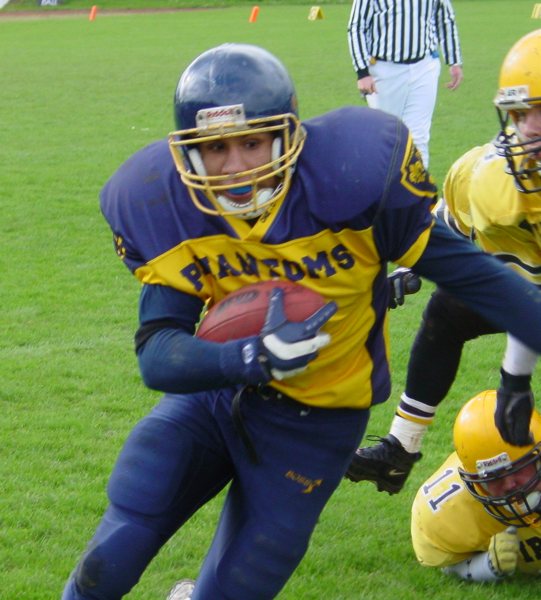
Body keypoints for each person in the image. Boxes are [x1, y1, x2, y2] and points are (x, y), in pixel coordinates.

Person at [61, 42, 541, 600]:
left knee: (238, 587)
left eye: (251, 141)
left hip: (317, 421)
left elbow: (479, 281)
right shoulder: (164, 203)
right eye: (215, 147)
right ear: (189, 151)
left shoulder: (351, 178)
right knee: (109, 559)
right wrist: (250, 357)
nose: (235, 165)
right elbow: (157, 352)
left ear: (287, 135)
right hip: (213, 398)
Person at [346, 29, 541, 496]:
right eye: (520, 113)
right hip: (528, 294)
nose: (530, 128)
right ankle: (401, 447)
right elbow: (446, 222)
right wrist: (412, 263)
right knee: (449, 311)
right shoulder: (486, 174)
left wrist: (514, 378)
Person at [412, 389, 541, 582]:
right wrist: (488, 566)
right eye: (493, 477)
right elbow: (449, 564)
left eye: (517, 468)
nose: (510, 485)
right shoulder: (451, 512)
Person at [347, 0, 463, 167]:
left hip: (424, 66)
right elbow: (356, 26)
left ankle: (418, 183)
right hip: (384, 68)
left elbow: (444, 17)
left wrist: (454, 61)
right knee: (385, 136)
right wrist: (362, 72)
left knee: (418, 137)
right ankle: (382, 183)